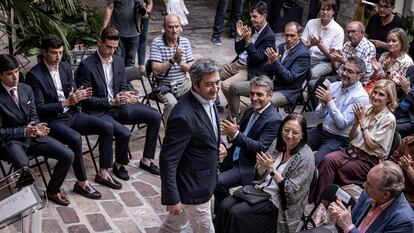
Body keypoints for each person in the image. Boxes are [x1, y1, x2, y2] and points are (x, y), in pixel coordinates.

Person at [26, 35, 120, 197]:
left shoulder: (64, 67)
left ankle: (103, 172)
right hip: (52, 120)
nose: (58, 57)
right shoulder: (34, 75)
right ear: (44, 52)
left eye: (61, 53)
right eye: (54, 53)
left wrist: (79, 95)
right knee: (76, 138)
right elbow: (39, 108)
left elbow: (72, 89)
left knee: (107, 127)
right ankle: (82, 183)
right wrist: (66, 103)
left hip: (72, 114)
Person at [76, 27, 162, 176]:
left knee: (155, 116)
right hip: (99, 112)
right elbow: (86, 101)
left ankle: (146, 159)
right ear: (99, 42)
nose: (111, 51)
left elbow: (122, 85)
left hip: (119, 107)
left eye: (115, 48)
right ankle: (119, 164)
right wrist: (111, 101)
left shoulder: (118, 60)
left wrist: (126, 94)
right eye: (108, 47)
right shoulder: (86, 66)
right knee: (124, 133)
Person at [215, 113, 315, 233]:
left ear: (302, 134)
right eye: (286, 130)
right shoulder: (278, 143)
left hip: (279, 203)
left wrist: (272, 170)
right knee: (224, 205)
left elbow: (293, 193)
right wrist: (261, 168)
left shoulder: (306, 157)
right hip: (261, 191)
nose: (289, 136)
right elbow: (258, 174)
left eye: (295, 132)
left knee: (237, 212)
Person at [159, 58, 227, 233]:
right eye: (209, 84)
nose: (215, 88)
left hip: (204, 179)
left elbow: (207, 132)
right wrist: (172, 198)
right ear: (195, 85)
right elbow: (168, 160)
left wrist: (216, 147)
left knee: (172, 226)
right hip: (193, 188)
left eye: (218, 82)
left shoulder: (209, 97)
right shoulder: (182, 116)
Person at [0, 54, 74, 206]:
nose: (15, 77)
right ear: (0, 75)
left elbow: (33, 114)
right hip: (11, 141)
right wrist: (23, 131)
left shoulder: (26, 88)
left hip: (33, 136)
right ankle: (25, 204)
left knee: (68, 155)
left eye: (16, 71)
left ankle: (53, 190)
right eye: (9, 73)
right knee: (24, 167)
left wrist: (37, 126)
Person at [310, 79, 397, 203]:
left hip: (368, 161)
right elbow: (351, 138)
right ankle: (320, 203)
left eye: (381, 94)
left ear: (389, 99)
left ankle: (322, 205)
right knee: (327, 160)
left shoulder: (389, 119)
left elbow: (372, 145)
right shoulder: (367, 109)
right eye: (375, 92)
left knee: (333, 166)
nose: (376, 96)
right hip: (351, 152)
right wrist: (355, 123)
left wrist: (361, 123)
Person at [214, 75, 281, 212]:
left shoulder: (274, 119)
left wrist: (236, 135)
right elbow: (240, 136)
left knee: (217, 183)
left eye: (259, 95)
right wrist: (233, 135)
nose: (254, 98)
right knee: (206, 167)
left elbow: (260, 147)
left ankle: (222, 213)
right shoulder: (250, 110)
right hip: (234, 154)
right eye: (252, 93)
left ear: (270, 96)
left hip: (248, 164)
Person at [227, 21, 309, 119]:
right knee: (234, 87)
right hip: (271, 84)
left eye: (292, 36)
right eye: (286, 35)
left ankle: (255, 125)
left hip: (286, 91)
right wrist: (270, 64)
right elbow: (268, 71)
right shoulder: (281, 47)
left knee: (259, 102)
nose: (288, 39)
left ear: (299, 35)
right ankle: (234, 120)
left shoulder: (303, 54)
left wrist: (275, 63)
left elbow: (289, 79)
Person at [308, 57, 369, 165]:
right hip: (322, 130)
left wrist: (329, 102)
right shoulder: (333, 86)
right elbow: (319, 115)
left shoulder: (361, 97)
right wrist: (322, 105)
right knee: (294, 143)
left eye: (350, 71)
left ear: (360, 75)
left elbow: (342, 124)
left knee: (315, 162)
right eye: (344, 69)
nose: (344, 73)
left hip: (339, 138)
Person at [328, 161, 414, 232]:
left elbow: (349, 226)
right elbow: (351, 223)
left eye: (370, 184)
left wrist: (348, 226)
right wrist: (340, 219)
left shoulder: (403, 221)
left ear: (386, 194)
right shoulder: (367, 193)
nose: (364, 185)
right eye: (366, 180)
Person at [220, 1, 275, 104]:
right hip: (236, 64)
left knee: (226, 85)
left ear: (264, 16)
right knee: (210, 72)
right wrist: (240, 36)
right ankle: (216, 103)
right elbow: (239, 51)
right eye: (251, 17)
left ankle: (236, 112)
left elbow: (257, 58)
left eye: (255, 16)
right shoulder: (254, 29)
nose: (252, 20)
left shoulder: (269, 36)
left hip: (248, 68)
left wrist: (248, 41)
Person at [150, 14, 193, 120]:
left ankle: (192, 128)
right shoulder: (157, 43)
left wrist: (181, 63)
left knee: (199, 94)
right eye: (170, 27)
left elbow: (192, 69)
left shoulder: (185, 42)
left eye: (177, 26)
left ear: (181, 27)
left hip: (183, 83)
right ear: (164, 28)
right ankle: (170, 134)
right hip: (165, 86)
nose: (174, 30)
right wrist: (172, 60)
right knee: (171, 103)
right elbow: (155, 70)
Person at [302, 0, 344, 80]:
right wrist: (310, 45)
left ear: (333, 12)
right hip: (307, 56)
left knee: (310, 75)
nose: (325, 12)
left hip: (324, 61)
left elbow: (334, 57)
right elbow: (301, 44)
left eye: (328, 10)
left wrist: (319, 44)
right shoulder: (311, 22)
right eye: (322, 9)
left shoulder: (338, 30)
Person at [365, 28, 413, 94]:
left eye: (394, 41)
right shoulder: (384, 55)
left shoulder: (407, 62)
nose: (390, 43)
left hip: (390, 96)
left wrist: (387, 71)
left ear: (402, 43)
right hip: (375, 89)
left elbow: (397, 90)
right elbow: (373, 79)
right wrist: (376, 71)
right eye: (389, 40)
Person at [329, 21, 376, 85]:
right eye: (348, 32)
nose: (350, 35)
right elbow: (336, 68)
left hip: (355, 83)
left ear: (362, 33)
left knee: (322, 85)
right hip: (340, 78)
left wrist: (344, 61)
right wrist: (333, 59)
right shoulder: (347, 44)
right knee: (319, 83)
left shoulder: (369, 48)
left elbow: (365, 75)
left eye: (353, 31)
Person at [102, 0, 145, 67]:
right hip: (117, 32)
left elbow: (146, 12)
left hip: (134, 32)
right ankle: (117, 75)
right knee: (117, 58)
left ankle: (128, 76)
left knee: (130, 60)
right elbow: (110, 7)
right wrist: (104, 27)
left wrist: (144, 12)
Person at [390, 136, 414, 209]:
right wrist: (400, 167)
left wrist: (408, 169)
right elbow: (390, 165)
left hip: (410, 197)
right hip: (393, 186)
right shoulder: (407, 141)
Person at [394, 66, 414, 137]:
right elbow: (400, 95)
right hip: (398, 108)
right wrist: (398, 85)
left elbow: (407, 90)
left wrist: (408, 91)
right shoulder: (412, 69)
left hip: (410, 117)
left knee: (389, 127)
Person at [137, 0, 153, 74]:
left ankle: (141, 66)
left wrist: (146, 13)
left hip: (143, 15)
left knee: (142, 38)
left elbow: (150, 3)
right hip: (130, 18)